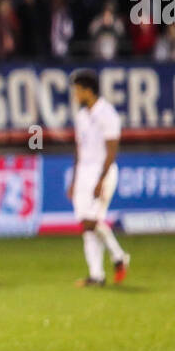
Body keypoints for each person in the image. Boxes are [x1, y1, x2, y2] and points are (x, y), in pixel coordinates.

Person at [68, 70, 129, 286]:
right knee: (86, 226)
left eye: (77, 90)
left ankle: (119, 256)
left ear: (87, 90)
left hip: (102, 172)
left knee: (91, 221)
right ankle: (96, 275)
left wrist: (101, 179)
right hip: (84, 173)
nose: (75, 95)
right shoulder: (82, 116)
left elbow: (112, 150)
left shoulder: (107, 114)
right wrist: (74, 180)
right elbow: (79, 150)